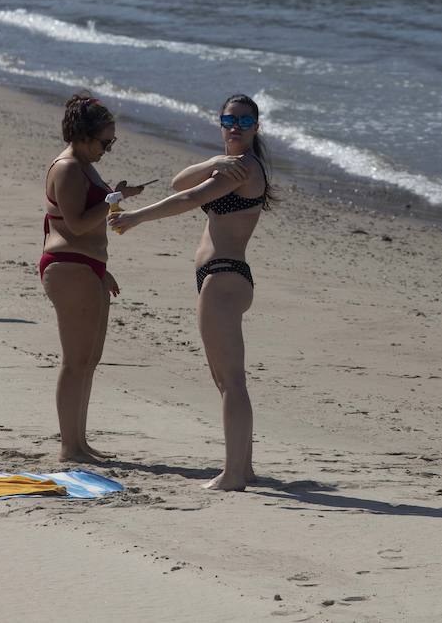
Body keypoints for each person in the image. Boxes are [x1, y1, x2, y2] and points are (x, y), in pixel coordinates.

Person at [108, 94, 272, 491]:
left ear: (256, 127)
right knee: (225, 380)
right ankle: (243, 468)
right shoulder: (227, 166)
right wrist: (213, 161)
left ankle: (233, 475)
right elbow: (180, 180)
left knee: (231, 381)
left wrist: (134, 219)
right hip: (221, 278)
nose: (236, 127)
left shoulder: (244, 169)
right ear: (219, 123)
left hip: (224, 278)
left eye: (245, 122)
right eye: (229, 120)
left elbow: (189, 198)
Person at [40, 94, 148, 464]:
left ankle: (80, 442)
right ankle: (69, 447)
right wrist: (113, 198)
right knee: (75, 360)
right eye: (105, 142)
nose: (108, 148)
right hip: (68, 266)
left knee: (89, 359)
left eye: (111, 142)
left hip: (87, 267)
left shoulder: (84, 164)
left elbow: (88, 221)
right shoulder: (68, 167)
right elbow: (77, 223)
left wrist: (103, 269)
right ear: (83, 136)